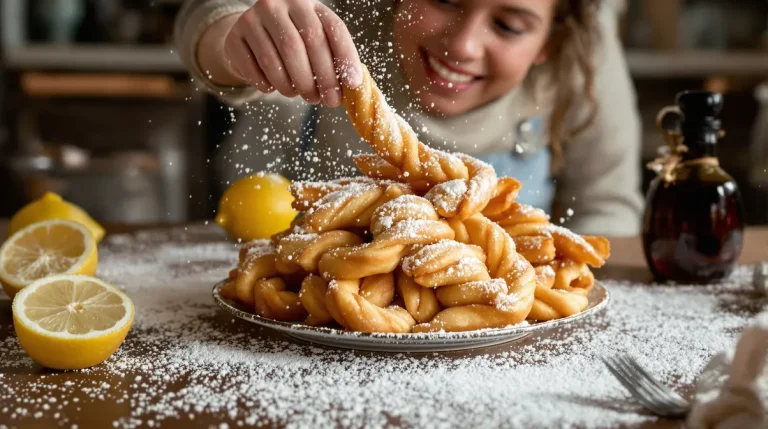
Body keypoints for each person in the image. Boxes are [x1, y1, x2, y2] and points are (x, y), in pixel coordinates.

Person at [174, 0, 643, 236]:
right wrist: (233, 42)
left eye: (508, 25)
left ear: (549, 44)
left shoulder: (583, 60)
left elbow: (608, 208)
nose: (463, 45)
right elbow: (208, 20)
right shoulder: (345, 14)